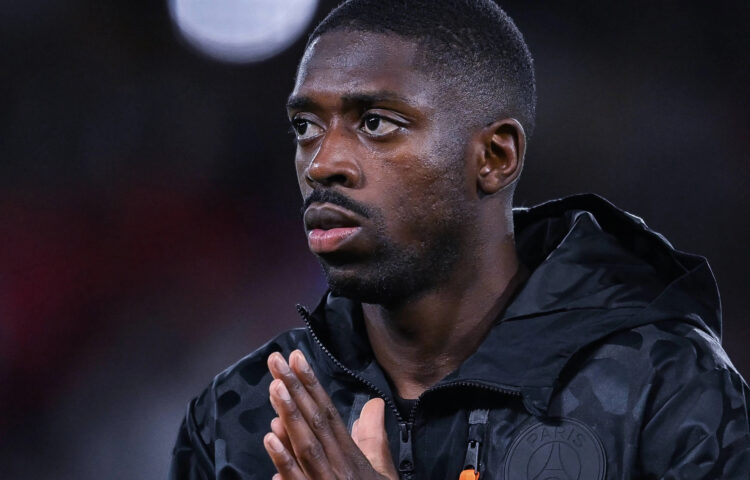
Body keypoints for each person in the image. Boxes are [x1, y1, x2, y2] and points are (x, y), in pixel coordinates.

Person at [169, 1, 750, 479]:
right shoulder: (239, 414)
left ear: (494, 157)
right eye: (306, 127)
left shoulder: (665, 387)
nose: (321, 164)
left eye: (375, 123)